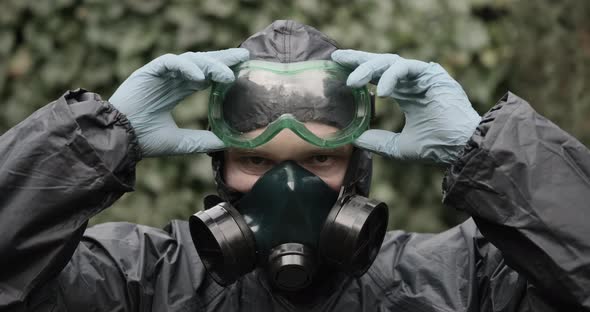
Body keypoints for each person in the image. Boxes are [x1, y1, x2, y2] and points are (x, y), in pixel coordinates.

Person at [0, 19, 588, 311]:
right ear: (217, 166)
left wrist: (485, 153)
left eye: (320, 158)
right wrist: (97, 137)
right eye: (255, 159)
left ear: (358, 166)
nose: (288, 187)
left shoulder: (462, 284)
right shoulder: (134, 282)